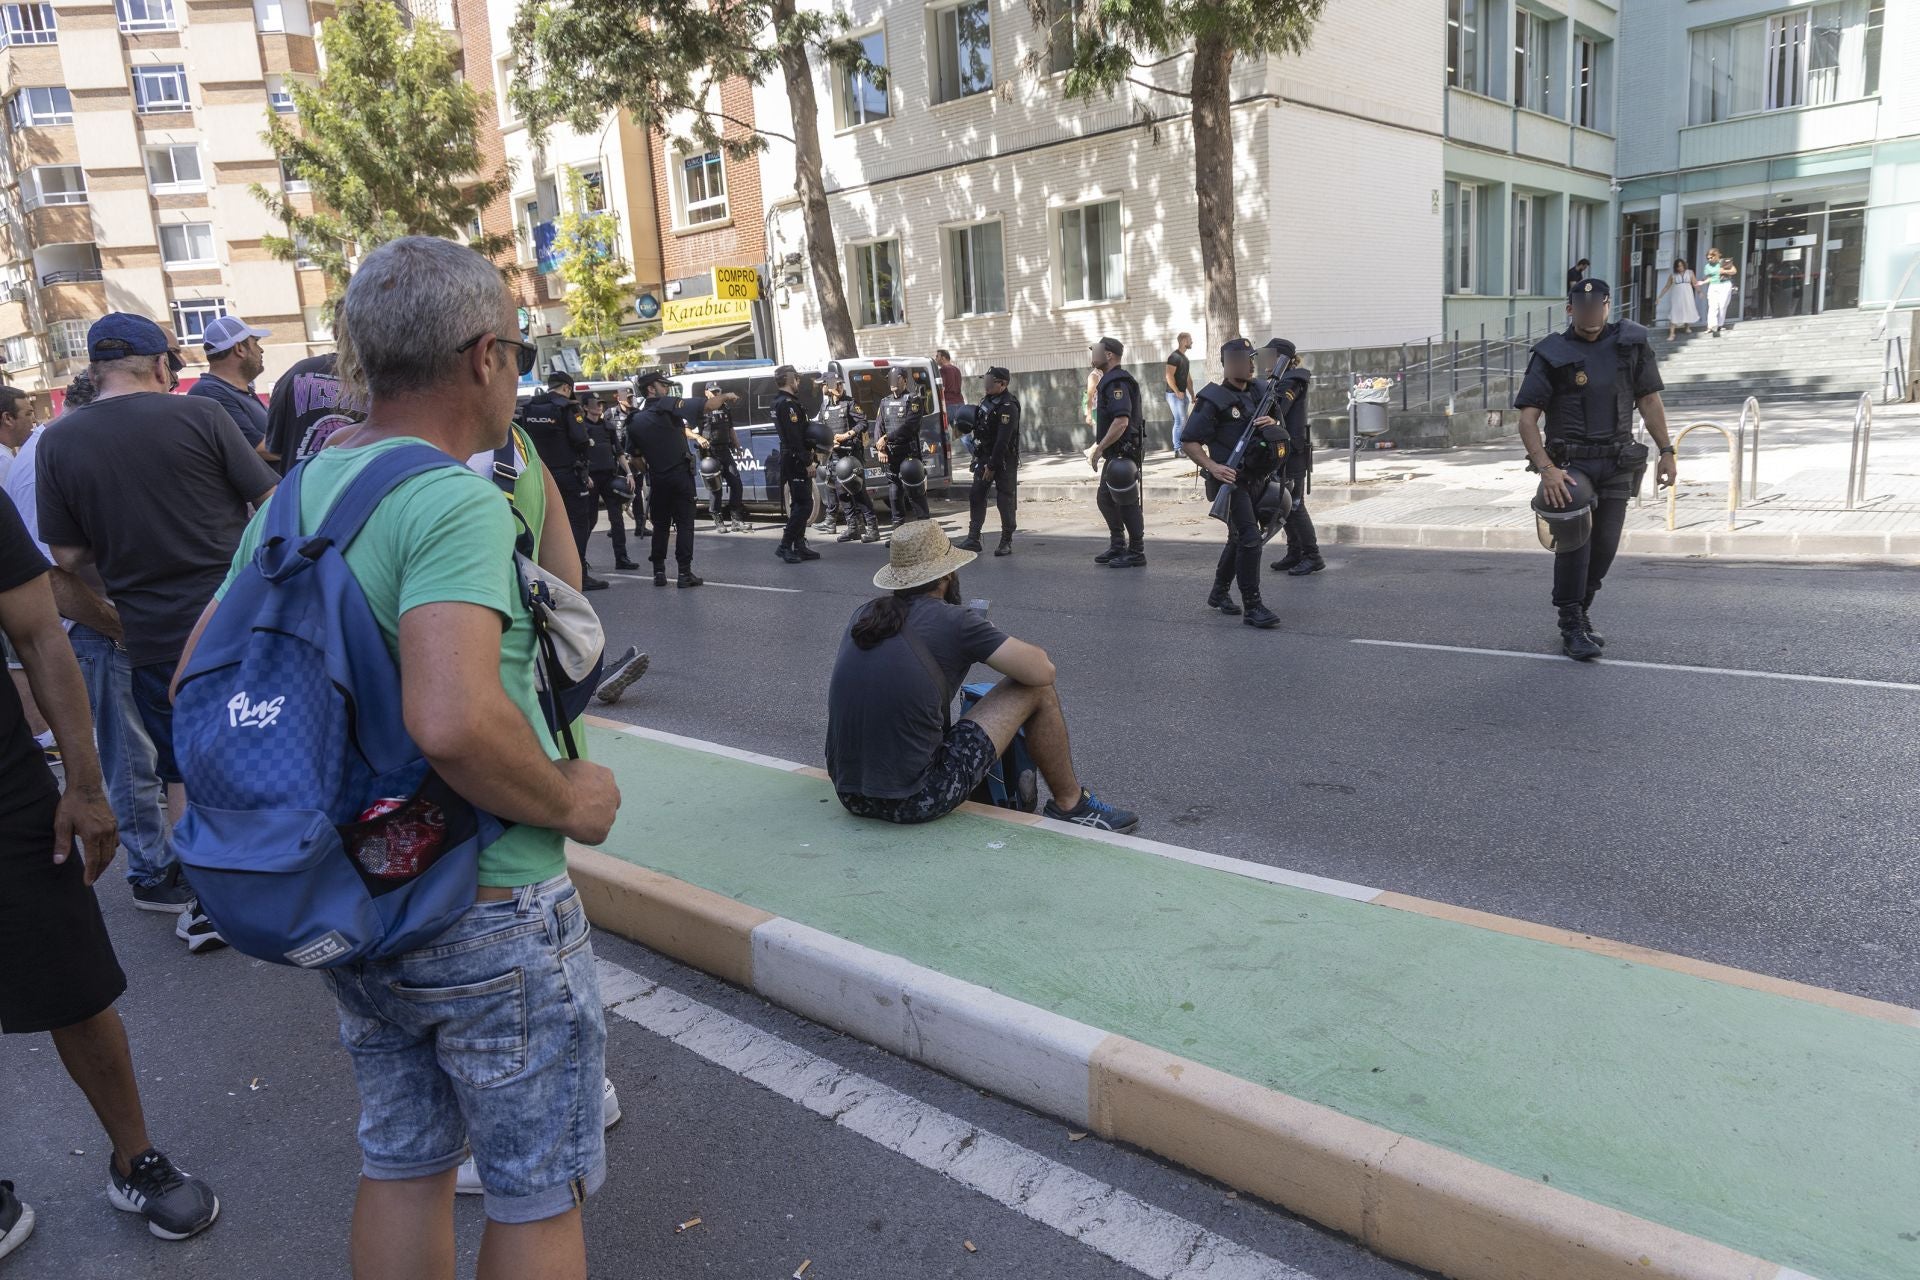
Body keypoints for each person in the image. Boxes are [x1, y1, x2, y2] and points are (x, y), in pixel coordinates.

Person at [186, 236, 621, 1279]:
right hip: (490, 894)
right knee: (536, 1186)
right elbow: (456, 718)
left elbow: (190, 685)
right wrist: (571, 796)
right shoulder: (453, 502)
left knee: (404, 1160)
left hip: (361, 895)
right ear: (482, 356)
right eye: (515, 353)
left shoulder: (299, 493)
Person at [0, 489, 224, 1251]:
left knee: (77, 984)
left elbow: (39, 637)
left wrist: (86, 787)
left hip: (5, 797)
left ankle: (136, 1160)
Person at [36, 313, 278, 945]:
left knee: (178, 768)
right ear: (161, 365)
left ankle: (205, 901)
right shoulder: (200, 417)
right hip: (236, 625)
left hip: (148, 639)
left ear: (94, 369)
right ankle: (279, 876)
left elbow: (62, 563)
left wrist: (119, 577)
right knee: (263, 743)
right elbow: (272, 506)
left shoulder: (59, 442)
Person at [825, 519, 1138, 832]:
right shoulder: (955, 621)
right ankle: (1071, 803)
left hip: (850, 795)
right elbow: (1043, 670)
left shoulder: (865, 614)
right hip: (914, 800)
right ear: (947, 574)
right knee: (1037, 689)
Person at [6, 384, 185, 916]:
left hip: (107, 622)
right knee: (129, 760)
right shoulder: (52, 453)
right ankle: (152, 872)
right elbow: (46, 573)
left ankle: (158, 861)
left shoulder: (61, 446)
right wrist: (112, 623)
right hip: (91, 627)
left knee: (140, 756)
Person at [1515, 278, 1676, 659]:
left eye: (1597, 306)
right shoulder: (1551, 353)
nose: (1590, 314)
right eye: (1581, 307)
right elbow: (1527, 420)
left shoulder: (1629, 345)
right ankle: (1570, 623)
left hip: (1618, 461)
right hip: (1571, 466)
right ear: (1570, 309)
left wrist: (1667, 450)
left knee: (1604, 549)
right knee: (1575, 543)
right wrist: (1547, 469)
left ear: (1607, 306)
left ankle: (1582, 614)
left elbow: (1649, 401)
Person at [1181, 338, 1283, 629]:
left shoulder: (1261, 392)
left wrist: (1273, 426)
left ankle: (1219, 592)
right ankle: (1253, 606)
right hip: (1230, 482)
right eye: (1240, 360)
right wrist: (1213, 467)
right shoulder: (1213, 399)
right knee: (1250, 539)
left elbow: (1278, 430)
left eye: (1250, 359)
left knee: (1238, 538)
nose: (1248, 365)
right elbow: (1189, 442)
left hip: (1256, 478)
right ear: (1227, 364)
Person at [517, 371, 603, 590]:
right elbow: (581, 440)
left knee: (544, 524)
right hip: (569, 474)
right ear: (566, 387)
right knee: (577, 523)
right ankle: (578, 574)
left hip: (540, 473)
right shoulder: (568, 407)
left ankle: (545, 574)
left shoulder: (530, 407)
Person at [627, 370, 706, 588]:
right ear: (651, 389)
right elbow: (706, 406)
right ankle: (684, 574)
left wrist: (651, 470)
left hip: (659, 479)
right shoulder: (669, 409)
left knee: (660, 526)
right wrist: (725, 398)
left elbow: (635, 458)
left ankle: (659, 572)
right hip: (680, 476)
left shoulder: (635, 420)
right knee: (684, 525)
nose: (666, 389)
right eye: (663, 385)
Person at [1263, 338, 1323, 578]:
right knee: (1285, 501)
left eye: (1270, 356)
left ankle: (1313, 556)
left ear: (1282, 359)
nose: (1265, 361)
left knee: (1295, 504)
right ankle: (1295, 551)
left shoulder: (1292, 380)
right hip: (1286, 450)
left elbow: (1277, 409)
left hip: (1293, 453)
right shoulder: (1283, 380)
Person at [1087, 337, 1145, 567]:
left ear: (1109, 354)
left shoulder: (1117, 382)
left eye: (1096, 350)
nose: (1093, 354)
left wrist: (1099, 449)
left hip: (1123, 453)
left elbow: (1121, 421)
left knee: (1126, 502)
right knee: (1106, 499)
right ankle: (1118, 544)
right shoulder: (1109, 380)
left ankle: (1137, 551)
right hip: (1116, 453)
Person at [262, 351, 366, 472]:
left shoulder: (297, 371)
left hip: (301, 484)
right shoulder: (382, 377)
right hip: (360, 482)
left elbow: (275, 447)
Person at [954, 367, 1019, 556]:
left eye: (990, 382)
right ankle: (973, 538)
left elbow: (1002, 440)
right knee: (976, 494)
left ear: (1003, 384)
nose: (986, 385)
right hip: (984, 455)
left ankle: (1006, 541)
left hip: (1003, 459)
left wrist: (992, 465)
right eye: (986, 381)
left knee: (1004, 499)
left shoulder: (1008, 406)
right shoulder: (987, 400)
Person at [185, 315, 273, 454]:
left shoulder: (240, 392)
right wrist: (307, 446)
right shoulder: (209, 392)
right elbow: (258, 448)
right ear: (239, 348)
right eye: (255, 343)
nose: (261, 350)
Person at [821, 368, 879, 544]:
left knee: (858, 492)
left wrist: (847, 435)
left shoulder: (850, 403)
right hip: (835, 456)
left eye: (825, 384)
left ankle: (872, 528)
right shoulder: (825, 406)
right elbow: (824, 428)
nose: (823, 387)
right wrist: (829, 442)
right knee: (842, 493)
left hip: (851, 455)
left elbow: (863, 423)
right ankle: (853, 528)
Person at [771, 365, 821, 564]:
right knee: (804, 504)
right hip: (796, 459)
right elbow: (794, 437)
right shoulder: (787, 405)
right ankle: (785, 545)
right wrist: (807, 461)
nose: (799, 382)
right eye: (797, 378)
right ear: (789, 379)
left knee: (800, 502)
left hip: (793, 457)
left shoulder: (782, 402)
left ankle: (799, 545)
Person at [582, 394, 638, 570]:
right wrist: (584, 475)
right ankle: (579, 559)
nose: (598, 407)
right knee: (590, 520)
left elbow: (619, 452)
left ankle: (621, 559)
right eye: (594, 404)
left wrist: (629, 473)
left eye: (600, 404)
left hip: (609, 477)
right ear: (585, 407)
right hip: (590, 479)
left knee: (617, 519)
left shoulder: (608, 427)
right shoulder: (581, 428)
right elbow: (577, 454)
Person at [875, 366, 929, 528]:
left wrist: (886, 438)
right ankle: (897, 529)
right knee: (894, 491)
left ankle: (925, 527)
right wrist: (881, 448)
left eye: (896, 378)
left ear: (904, 380)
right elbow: (879, 425)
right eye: (890, 379)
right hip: (892, 454)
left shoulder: (913, 400)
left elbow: (909, 427)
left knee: (915, 491)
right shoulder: (885, 402)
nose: (892, 382)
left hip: (908, 453)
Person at [697, 382, 747, 533]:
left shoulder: (725, 407)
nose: (716, 394)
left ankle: (736, 520)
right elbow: (685, 428)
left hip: (725, 450)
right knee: (715, 487)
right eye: (712, 391)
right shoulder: (701, 409)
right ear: (706, 393)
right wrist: (698, 438)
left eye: (717, 391)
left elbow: (731, 429)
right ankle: (717, 519)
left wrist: (737, 446)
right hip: (709, 453)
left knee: (736, 483)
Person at [1164, 332, 1194, 455]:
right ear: (1183, 341)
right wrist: (1176, 391)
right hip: (1173, 395)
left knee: (1184, 422)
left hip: (1183, 395)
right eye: (1190, 339)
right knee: (1180, 421)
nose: (1192, 342)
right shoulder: (1174, 357)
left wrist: (1192, 394)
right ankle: (1177, 449)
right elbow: (1168, 375)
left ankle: (1183, 447)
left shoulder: (1185, 359)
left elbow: (1188, 378)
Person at [1658, 258, 1701, 340]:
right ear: (1676, 267)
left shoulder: (1690, 272)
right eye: (1678, 266)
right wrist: (1659, 296)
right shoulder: (1673, 275)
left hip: (1688, 295)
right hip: (1676, 296)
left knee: (1687, 309)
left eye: (1681, 265)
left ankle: (1687, 327)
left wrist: (1699, 292)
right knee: (1674, 311)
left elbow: (1695, 283)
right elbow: (1667, 286)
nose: (1680, 268)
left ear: (1684, 265)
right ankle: (1672, 334)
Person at [1703, 247, 1738, 336]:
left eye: (1711, 257)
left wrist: (1724, 271)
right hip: (1713, 285)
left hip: (1724, 284)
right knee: (1712, 305)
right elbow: (1708, 277)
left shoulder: (1724, 262)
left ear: (1717, 255)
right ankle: (1711, 326)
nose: (1710, 260)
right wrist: (1703, 281)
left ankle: (1720, 325)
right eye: (1708, 258)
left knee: (1722, 305)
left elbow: (1734, 271)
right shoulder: (1707, 266)